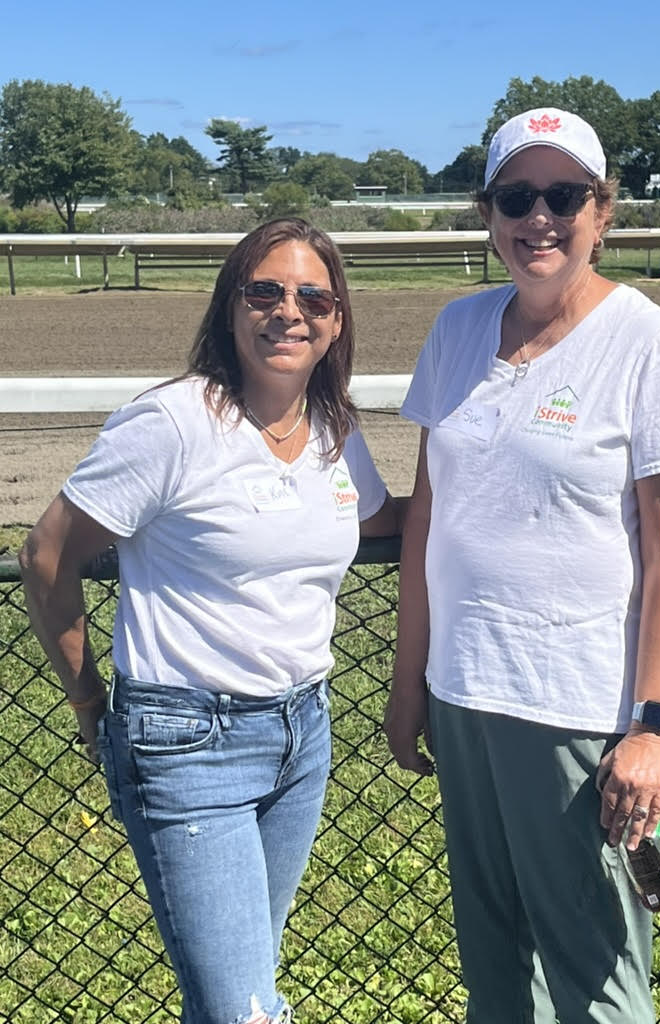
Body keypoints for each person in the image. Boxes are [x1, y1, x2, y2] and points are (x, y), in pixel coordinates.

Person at [19, 217, 402, 1024]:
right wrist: (89, 701)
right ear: (231, 308)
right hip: (188, 739)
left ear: (337, 323)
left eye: (314, 299)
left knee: (244, 986)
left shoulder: (333, 428)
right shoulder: (174, 422)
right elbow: (49, 553)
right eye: (264, 292)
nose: (289, 312)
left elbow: (376, 520)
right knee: (244, 1011)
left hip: (304, 731)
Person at [384, 108, 660, 1023]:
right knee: (495, 966)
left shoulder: (648, 343)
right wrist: (410, 683)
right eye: (516, 196)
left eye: (563, 195)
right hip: (465, 697)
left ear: (602, 212)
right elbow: (427, 523)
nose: (539, 218)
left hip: (575, 709)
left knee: (594, 976)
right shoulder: (456, 330)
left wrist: (653, 727)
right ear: (488, 213)